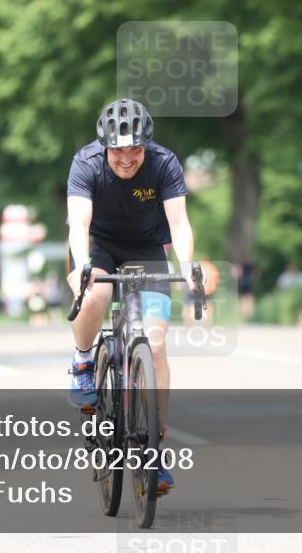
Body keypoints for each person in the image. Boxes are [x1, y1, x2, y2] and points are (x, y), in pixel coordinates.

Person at [66, 98, 198, 496]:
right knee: (96, 295)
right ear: (105, 145)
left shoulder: (164, 163)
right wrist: (84, 265)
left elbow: (180, 224)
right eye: (119, 150)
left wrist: (188, 266)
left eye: (135, 149)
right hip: (99, 246)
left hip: (147, 251)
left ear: (147, 145)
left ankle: (154, 449)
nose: (127, 158)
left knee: (155, 344)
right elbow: (78, 224)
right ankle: (83, 360)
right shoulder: (86, 163)